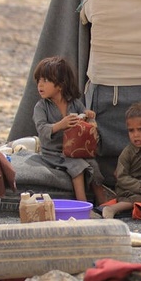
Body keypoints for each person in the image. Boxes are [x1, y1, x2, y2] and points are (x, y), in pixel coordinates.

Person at [32, 56, 108, 205]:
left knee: (94, 165)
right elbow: (41, 129)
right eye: (38, 80)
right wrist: (60, 125)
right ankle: (83, 204)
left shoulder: (74, 103)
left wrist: (88, 114)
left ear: (60, 85)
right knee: (77, 167)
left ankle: (103, 203)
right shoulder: (41, 107)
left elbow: (83, 116)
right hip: (54, 153)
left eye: (45, 80)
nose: (40, 85)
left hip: (76, 150)